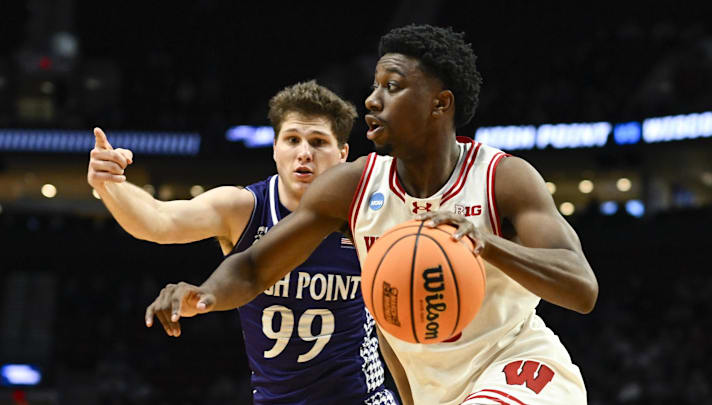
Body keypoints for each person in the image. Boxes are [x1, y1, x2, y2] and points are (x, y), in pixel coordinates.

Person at [146, 25, 598, 405]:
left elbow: (581, 288)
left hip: (519, 367)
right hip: (433, 392)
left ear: (440, 104)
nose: (372, 101)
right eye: (375, 85)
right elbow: (253, 266)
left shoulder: (504, 179)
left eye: (393, 87)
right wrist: (203, 294)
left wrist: (488, 244)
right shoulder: (352, 187)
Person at [88, 81, 398, 404]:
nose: (304, 153)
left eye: (318, 142)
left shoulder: (366, 212)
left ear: (343, 154)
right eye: (293, 140)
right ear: (275, 148)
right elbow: (159, 220)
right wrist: (110, 184)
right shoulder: (245, 208)